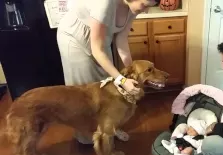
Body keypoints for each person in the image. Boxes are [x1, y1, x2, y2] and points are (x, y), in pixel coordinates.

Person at [56, 0, 159, 144]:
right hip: (75, 38)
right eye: (145, 5)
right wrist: (122, 80)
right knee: (85, 93)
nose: (146, 10)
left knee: (107, 86)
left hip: (101, 39)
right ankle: (87, 135)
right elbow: (97, 50)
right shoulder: (104, 4)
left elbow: (121, 40)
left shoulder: (133, 7)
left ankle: (109, 128)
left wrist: (132, 72)